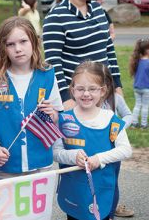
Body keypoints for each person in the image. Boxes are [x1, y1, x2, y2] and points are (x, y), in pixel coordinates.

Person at [0, 17, 63, 179]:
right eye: (10, 44)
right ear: (3, 48)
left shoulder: (48, 76)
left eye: (23, 41)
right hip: (7, 165)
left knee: (39, 205)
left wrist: (51, 113)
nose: (18, 49)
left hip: (41, 165)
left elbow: (56, 115)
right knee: (7, 205)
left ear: (34, 42)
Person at [53, 61, 132, 220]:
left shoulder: (111, 120)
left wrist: (99, 158)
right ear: (72, 90)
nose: (86, 94)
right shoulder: (64, 119)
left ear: (103, 91)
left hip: (102, 190)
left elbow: (125, 150)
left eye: (92, 89)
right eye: (80, 89)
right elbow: (55, 152)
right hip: (74, 191)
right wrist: (72, 156)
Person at [43, 0, 122, 111]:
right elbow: (53, 63)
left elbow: (109, 51)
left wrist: (117, 87)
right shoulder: (56, 17)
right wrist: (66, 99)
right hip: (78, 100)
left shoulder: (99, 11)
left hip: (105, 95)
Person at [100, 64, 134, 219]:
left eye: (104, 85)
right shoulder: (86, 99)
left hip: (112, 149)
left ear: (109, 84)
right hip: (93, 148)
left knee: (111, 183)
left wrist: (119, 127)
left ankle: (110, 213)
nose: (100, 90)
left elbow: (128, 115)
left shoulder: (116, 98)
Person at [130, 38, 149, 129]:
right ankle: (144, 124)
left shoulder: (136, 61)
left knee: (137, 105)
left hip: (136, 88)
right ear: (146, 50)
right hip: (146, 88)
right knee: (145, 106)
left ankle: (134, 123)